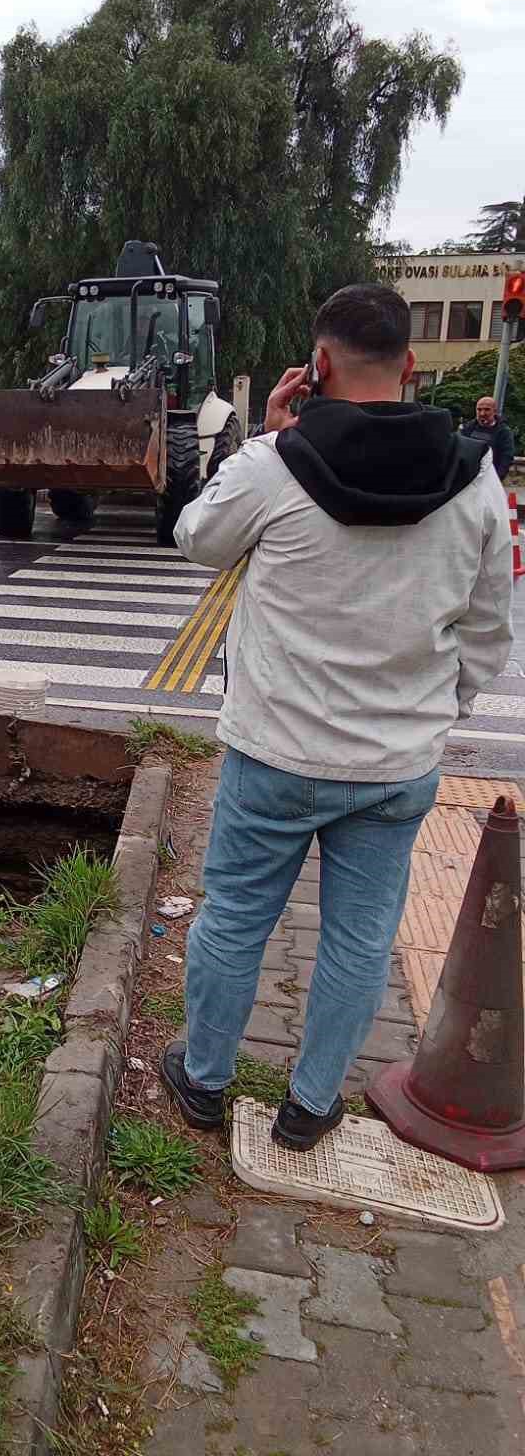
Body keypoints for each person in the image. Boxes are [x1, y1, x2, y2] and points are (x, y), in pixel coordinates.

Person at [161, 284, 513, 1151]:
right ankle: (312, 1104)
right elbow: (488, 629)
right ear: (411, 365)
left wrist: (268, 434)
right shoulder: (474, 477)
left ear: (317, 365)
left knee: (236, 920)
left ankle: (204, 1080)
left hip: (274, 755)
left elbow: (197, 539)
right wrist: (438, 713)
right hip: (396, 768)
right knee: (361, 940)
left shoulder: (275, 464)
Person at [460, 396, 516, 480]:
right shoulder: (467, 428)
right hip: (467, 477)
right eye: (479, 409)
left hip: (490, 477)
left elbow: (506, 458)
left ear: (495, 411)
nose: (482, 413)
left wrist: (496, 478)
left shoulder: (504, 432)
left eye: (487, 409)